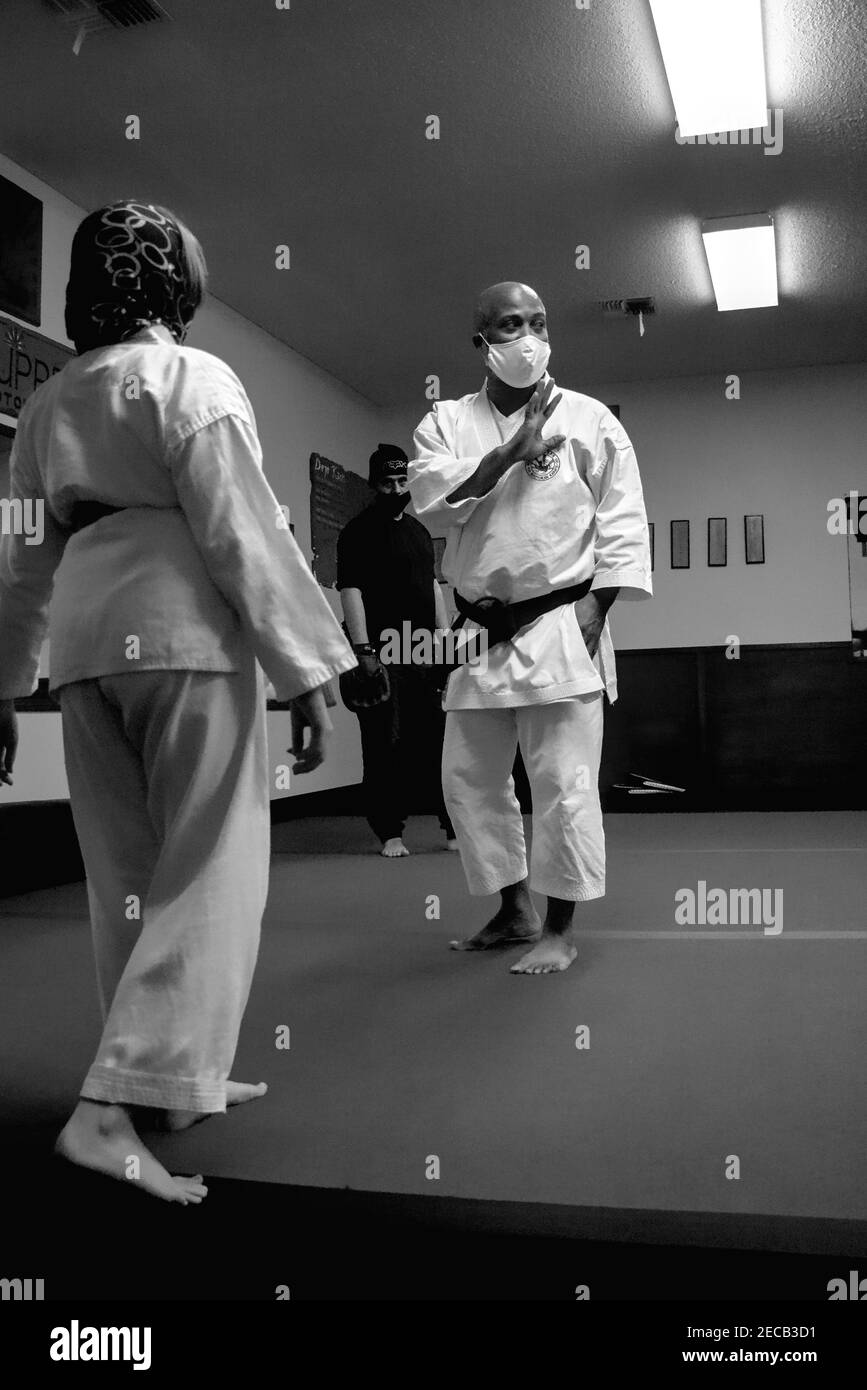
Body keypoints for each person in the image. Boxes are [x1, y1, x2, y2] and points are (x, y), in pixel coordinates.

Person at [0, 200, 356, 1202]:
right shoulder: (193, 379)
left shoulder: (48, 405)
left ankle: (171, 1082)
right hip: (182, 634)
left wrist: (1, 684)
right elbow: (244, 532)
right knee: (209, 871)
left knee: (126, 875)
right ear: (172, 281)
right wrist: (309, 676)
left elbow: (21, 559)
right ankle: (110, 1111)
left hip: (84, 647)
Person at [408, 282, 652, 974]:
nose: (527, 336)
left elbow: (624, 523)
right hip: (476, 628)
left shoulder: (591, 420)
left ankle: (558, 929)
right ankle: (513, 909)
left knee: (562, 782)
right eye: (510, 324)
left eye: (537, 322)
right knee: (469, 782)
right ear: (480, 342)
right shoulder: (445, 423)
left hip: (560, 620)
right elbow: (430, 504)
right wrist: (509, 452)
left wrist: (595, 611)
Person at [337, 444, 456, 857]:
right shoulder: (357, 532)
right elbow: (350, 589)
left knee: (438, 740)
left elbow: (433, 587)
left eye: (403, 481)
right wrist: (362, 648)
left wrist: (447, 642)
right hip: (383, 653)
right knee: (384, 741)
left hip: (424, 650)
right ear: (374, 484)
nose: (396, 489)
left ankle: (452, 827)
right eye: (387, 483)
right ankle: (390, 831)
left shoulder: (419, 532)